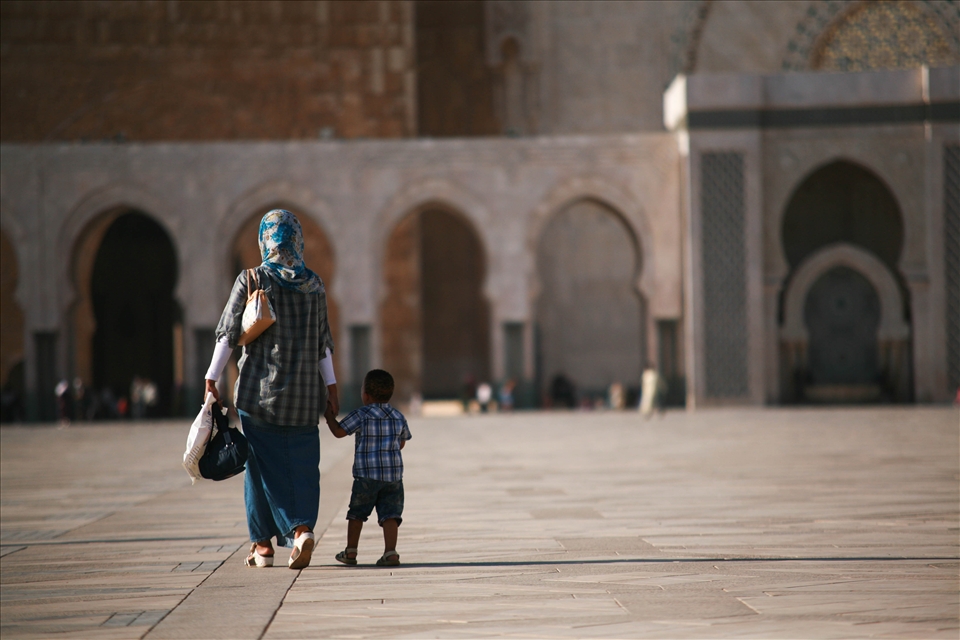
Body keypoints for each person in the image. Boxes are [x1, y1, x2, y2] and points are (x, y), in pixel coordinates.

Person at [204, 209, 338, 570]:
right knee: (300, 468)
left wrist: (212, 377)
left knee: (264, 467)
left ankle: (299, 530)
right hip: (306, 397)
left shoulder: (252, 279)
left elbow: (228, 333)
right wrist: (332, 386)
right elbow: (323, 344)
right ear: (297, 239)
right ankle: (262, 544)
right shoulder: (314, 285)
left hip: (259, 395)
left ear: (266, 240)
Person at [324, 369, 411, 567]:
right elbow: (402, 443)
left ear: (366, 395)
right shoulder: (398, 416)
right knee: (391, 514)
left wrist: (329, 417)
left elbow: (339, 432)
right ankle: (390, 553)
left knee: (357, 513)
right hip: (393, 477)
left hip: (366, 476)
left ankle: (351, 551)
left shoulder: (361, 415)